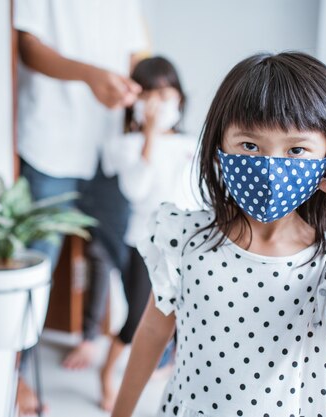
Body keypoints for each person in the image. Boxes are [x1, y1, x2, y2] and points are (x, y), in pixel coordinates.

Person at [110, 51, 326, 417]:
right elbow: (152, 331)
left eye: (296, 149)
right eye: (249, 146)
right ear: (219, 146)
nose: (270, 167)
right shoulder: (184, 237)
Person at [12, 0, 147, 414]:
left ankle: (132, 352)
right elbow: (28, 47)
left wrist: (148, 87)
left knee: (132, 255)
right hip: (49, 143)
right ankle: (17, 373)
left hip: (109, 145)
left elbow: (139, 52)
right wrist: (90, 75)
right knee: (37, 263)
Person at [99, 56, 201, 412]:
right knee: (135, 320)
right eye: (149, 96)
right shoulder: (124, 145)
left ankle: (165, 366)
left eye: (165, 95)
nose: (158, 105)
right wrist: (151, 135)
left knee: (183, 316)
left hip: (187, 243)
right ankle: (107, 376)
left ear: (180, 99)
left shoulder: (193, 144)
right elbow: (136, 190)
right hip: (143, 243)